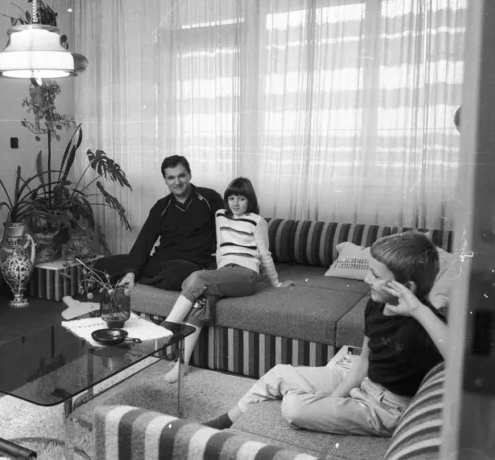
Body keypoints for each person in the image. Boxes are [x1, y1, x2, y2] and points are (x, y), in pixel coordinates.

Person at [202, 231, 447, 436]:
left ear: (407, 287)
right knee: (278, 374)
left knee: (293, 407)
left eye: (375, 275)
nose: (366, 279)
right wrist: (336, 396)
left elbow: (460, 356)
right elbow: (364, 360)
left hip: (386, 409)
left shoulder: (426, 325)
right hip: (363, 381)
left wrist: (417, 309)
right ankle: (226, 421)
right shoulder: (375, 304)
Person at [159, 177, 294, 383]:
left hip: (246, 274)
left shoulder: (257, 221)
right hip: (225, 272)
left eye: (241, 198)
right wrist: (218, 273)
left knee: (197, 277)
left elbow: (264, 254)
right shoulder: (220, 215)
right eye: (231, 198)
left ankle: (167, 327)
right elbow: (221, 247)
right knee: (201, 301)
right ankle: (182, 364)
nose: (235, 203)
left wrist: (275, 282)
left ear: (250, 200)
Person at [93, 155, 224, 291]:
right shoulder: (161, 206)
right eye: (171, 178)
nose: (177, 182)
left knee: (179, 272)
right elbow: (144, 241)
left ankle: (139, 282)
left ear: (189, 175)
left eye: (181, 176)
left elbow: (227, 228)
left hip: (192, 264)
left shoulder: (210, 198)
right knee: (102, 265)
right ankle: (137, 279)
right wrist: (131, 272)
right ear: (165, 180)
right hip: (162, 263)